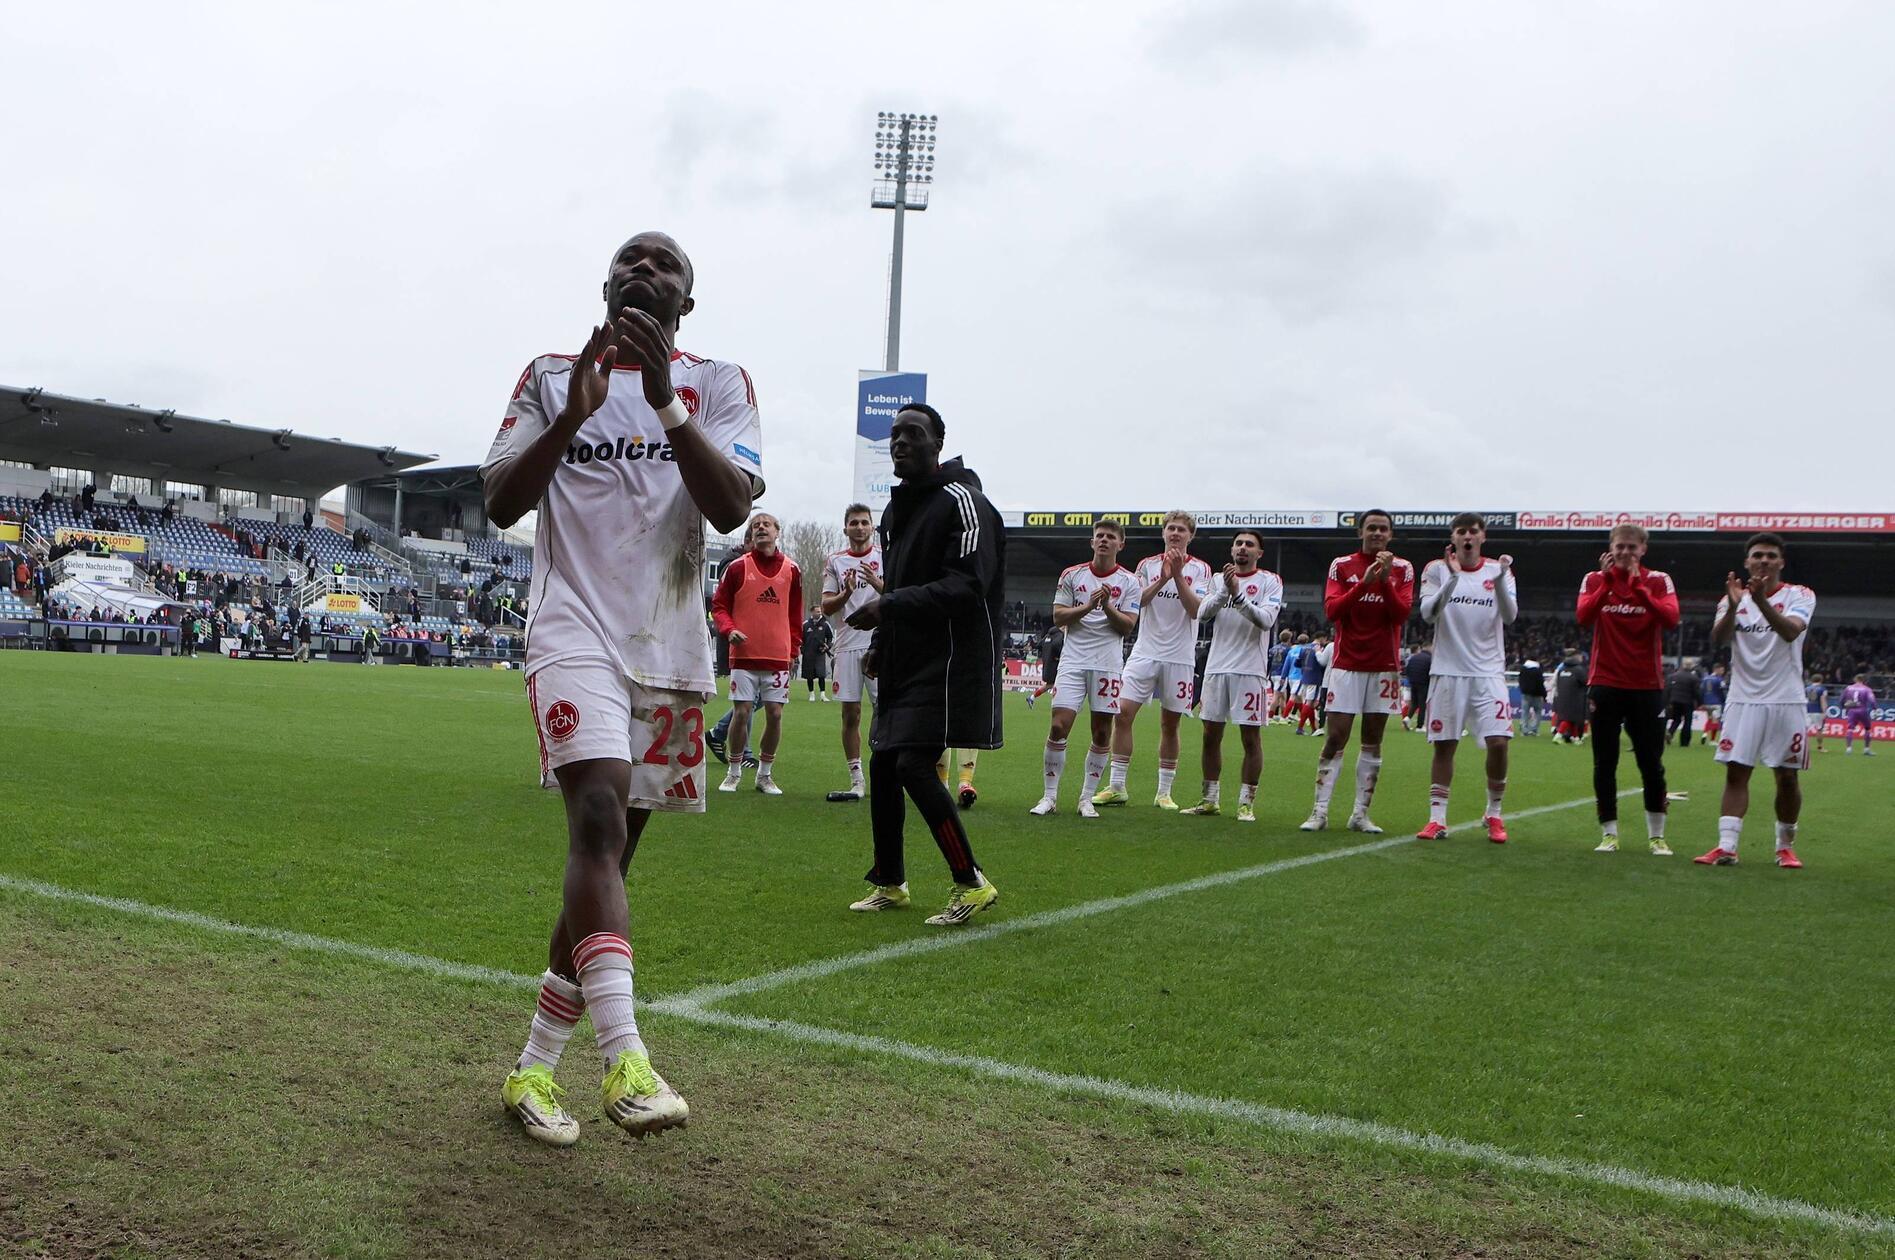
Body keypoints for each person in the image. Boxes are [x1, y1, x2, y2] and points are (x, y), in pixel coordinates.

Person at [480, 229, 759, 1145]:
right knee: (595, 823)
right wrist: (573, 417)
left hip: (670, 649)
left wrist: (665, 407)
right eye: (629, 261)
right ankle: (627, 1063)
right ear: (604, 285)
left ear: (687, 300)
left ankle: (530, 1072)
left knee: (607, 868)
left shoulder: (718, 385)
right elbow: (499, 501)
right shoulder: (551, 374)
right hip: (571, 630)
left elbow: (728, 507)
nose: (644, 270)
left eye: (664, 265)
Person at [842, 404, 1004, 926]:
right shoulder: (894, 513)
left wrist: (888, 608)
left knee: (911, 763)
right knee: (885, 764)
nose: (900, 442)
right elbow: (904, 587)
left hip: (952, 658)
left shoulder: (965, 502)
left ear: (938, 442)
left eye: (913, 434)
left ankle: (971, 882)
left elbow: (968, 584)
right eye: (894, 435)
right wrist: (883, 640)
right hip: (905, 657)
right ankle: (890, 881)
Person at [1697, 534, 1815, 869]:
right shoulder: (1732, 597)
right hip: (1743, 698)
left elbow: (1791, 631)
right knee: (1736, 773)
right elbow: (1719, 639)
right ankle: (1726, 847)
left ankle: (1785, 847)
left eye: (1770, 556)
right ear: (1748, 562)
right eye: (1757, 555)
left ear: (1781, 562)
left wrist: (1761, 601)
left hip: (1785, 699)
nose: (1764, 560)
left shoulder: (1800, 595)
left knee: (1787, 776)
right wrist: (1735, 606)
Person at [1302, 511, 1414, 833]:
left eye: (1383, 529)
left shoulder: (1403, 569)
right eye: (1371, 527)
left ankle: (1360, 814)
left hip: (1384, 666)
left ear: (1390, 535)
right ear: (1361, 531)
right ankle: (1319, 812)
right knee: (1336, 737)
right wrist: (1363, 584)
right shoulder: (1342, 565)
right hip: (1346, 663)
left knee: (1373, 740)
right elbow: (1332, 610)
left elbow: (1401, 614)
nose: (1377, 533)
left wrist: (1385, 582)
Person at [1095, 511, 1211, 811]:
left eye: (1181, 529)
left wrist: (1177, 576)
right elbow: (1136, 602)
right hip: (1145, 651)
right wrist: (1163, 578)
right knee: (1122, 714)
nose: (1175, 533)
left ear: (1190, 535)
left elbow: (1196, 609)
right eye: (1171, 528)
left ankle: (1164, 792)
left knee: (1169, 724)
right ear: (1163, 533)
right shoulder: (1147, 565)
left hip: (1180, 657)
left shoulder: (1200, 569)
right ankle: (1117, 786)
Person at [1576, 523, 1680, 855]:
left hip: (1646, 686)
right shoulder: (1595, 579)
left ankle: (1656, 836)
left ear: (1643, 549)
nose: (1625, 552)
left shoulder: (1658, 580)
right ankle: (1609, 833)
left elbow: (1670, 618)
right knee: (1604, 763)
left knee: (1652, 764)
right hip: (1605, 683)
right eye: (1620, 546)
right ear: (1611, 547)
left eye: (1632, 547)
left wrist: (1638, 587)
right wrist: (1608, 582)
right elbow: (1583, 616)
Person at [1413, 514, 1517, 843]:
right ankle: (1437, 819)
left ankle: (1494, 813)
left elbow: (1511, 616)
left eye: (1473, 531)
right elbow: (1428, 614)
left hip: (1488, 673)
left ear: (1482, 536)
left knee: (1499, 743)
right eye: (1462, 532)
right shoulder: (1436, 569)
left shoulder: (1498, 569)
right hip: (1447, 671)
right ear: (1454, 538)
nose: (1468, 536)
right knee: (1445, 747)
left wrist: (1500, 579)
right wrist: (1453, 579)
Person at [1031, 521, 1139, 818]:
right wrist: (1089, 606)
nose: (1104, 540)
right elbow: (1058, 614)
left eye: (1111, 537)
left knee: (1102, 731)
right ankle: (1049, 797)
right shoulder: (1072, 574)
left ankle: (1086, 798)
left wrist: (1106, 607)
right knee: (1058, 725)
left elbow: (1127, 626)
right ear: (1092, 543)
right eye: (1099, 536)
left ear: (1121, 544)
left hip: (1108, 664)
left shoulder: (1129, 581)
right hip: (1073, 660)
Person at [1180, 530, 1282, 821]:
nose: (1242, 548)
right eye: (1238, 543)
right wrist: (1225, 589)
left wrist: (1237, 594)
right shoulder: (1216, 579)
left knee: (1250, 739)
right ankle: (1209, 799)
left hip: (1249, 670)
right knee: (1210, 736)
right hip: (1216, 668)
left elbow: (1265, 621)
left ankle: (1246, 803)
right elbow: (1202, 613)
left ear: (1259, 553)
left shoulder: (1269, 581)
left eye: (1249, 545)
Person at [710, 512, 802, 795]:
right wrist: (729, 630)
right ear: (751, 535)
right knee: (742, 712)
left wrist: (794, 649)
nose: (761, 528)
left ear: (777, 532)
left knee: (775, 714)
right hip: (745, 655)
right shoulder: (738, 567)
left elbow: (794, 614)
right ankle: (734, 771)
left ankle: (764, 774)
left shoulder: (792, 569)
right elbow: (719, 606)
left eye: (767, 524)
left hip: (777, 657)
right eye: (755, 526)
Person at [819, 504, 883, 801]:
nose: (859, 527)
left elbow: (898, 594)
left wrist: (876, 583)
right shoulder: (835, 560)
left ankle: (885, 769)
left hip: (879, 642)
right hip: (846, 644)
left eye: (864, 522)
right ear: (845, 528)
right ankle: (857, 780)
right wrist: (845, 594)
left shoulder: (884, 556)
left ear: (872, 527)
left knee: (885, 710)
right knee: (850, 713)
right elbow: (826, 606)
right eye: (854, 523)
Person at [1666, 660, 1703, 746]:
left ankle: (1670, 732)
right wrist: (1700, 703)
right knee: (1687, 722)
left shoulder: (1672, 676)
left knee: (1676, 719)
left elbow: (1667, 690)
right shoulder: (1693, 678)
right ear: (1691, 667)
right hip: (1687, 702)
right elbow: (1697, 692)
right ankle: (1684, 742)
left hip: (1674, 701)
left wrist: (1667, 701)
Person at [1401, 640, 1433, 733]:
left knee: (1415, 703)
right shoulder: (1430, 658)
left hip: (1413, 682)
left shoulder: (1414, 658)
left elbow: (1408, 669)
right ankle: (1419, 726)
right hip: (1423, 683)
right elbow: (1431, 672)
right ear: (1429, 647)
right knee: (1422, 704)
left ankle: (1407, 718)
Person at [800, 610, 832, 702]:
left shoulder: (825, 624)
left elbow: (830, 637)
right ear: (812, 613)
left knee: (821, 674)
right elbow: (800, 638)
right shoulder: (805, 625)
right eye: (817, 611)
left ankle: (823, 695)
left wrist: (827, 647)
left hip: (820, 654)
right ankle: (812, 694)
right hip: (808, 654)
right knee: (809, 675)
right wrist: (803, 650)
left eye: (820, 611)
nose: (819, 613)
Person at [1841, 674, 1876, 754]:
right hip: (1862, 710)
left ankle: (1849, 749)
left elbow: (1842, 699)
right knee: (1867, 728)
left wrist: (1844, 707)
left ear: (1855, 679)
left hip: (1852, 710)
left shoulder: (1848, 688)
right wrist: (1875, 708)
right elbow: (1872, 700)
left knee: (1850, 729)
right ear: (1864, 680)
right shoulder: (1867, 689)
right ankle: (1866, 749)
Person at [1700, 663, 1728, 750]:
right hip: (1716, 702)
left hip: (1707, 702)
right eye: (1722, 670)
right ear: (1716, 669)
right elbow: (1724, 691)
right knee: (1715, 721)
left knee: (1710, 719)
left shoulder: (1705, 679)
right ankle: (1712, 740)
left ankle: (1705, 733)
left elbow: (1701, 690)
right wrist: (1725, 700)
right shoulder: (1719, 680)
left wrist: (1702, 702)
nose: (1723, 672)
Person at [1517, 657, 1547, 737]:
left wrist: (1522, 690)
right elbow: (1540, 684)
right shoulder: (1538, 670)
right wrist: (1544, 695)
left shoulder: (1523, 669)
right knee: (1537, 712)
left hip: (1526, 694)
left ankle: (1524, 730)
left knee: (1525, 712)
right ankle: (1534, 730)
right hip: (1537, 694)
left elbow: (1520, 681)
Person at [1804, 671, 1829, 755]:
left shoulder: (1807, 688)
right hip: (1818, 711)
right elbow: (1823, 700)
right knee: (1819, 729)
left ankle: (1803, 746)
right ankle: (1820, 747)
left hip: (1807, 710)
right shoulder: (1822, 689)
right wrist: (1825, 711)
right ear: (1821, 680)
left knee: (1804, 730)